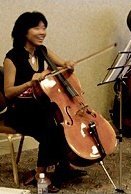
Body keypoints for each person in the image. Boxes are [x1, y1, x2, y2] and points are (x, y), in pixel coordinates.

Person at [3, 11, 86, 192]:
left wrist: (68, 64)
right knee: (52, 125)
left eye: (44, 28)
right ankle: (41, 173)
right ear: (24, 31)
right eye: (37, 28)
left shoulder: (43, 51)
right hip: (18, 111)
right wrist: (30, 81)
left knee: (60, 122)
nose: (42, 32)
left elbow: (62, 65)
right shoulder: (12, 58)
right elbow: (8, 93)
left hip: (39, 106)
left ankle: (62, 166)